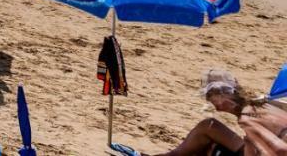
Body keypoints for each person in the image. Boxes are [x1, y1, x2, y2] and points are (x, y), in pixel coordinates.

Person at [114, 70, 287, 155]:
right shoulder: (260, 103)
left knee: (208, 129)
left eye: (212, 99)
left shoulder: (248, 115)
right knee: (207, 138)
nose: (215, 106)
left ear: (225, 97)